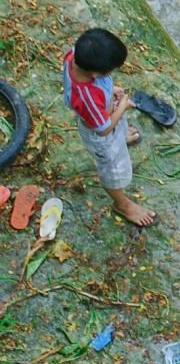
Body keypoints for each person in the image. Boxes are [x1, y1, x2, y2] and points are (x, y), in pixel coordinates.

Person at [62, 28, 156, 226]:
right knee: (112, 170)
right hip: (101, 136)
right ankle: (122, 204)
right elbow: (103, 129)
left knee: (118, 127)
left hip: (103, 113)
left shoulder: (74, 55)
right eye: (111, 71)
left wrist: (109, 91)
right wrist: (121, 107)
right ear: (95, 74)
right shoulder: (87, 98)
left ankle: (121, 137)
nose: (112, 73)